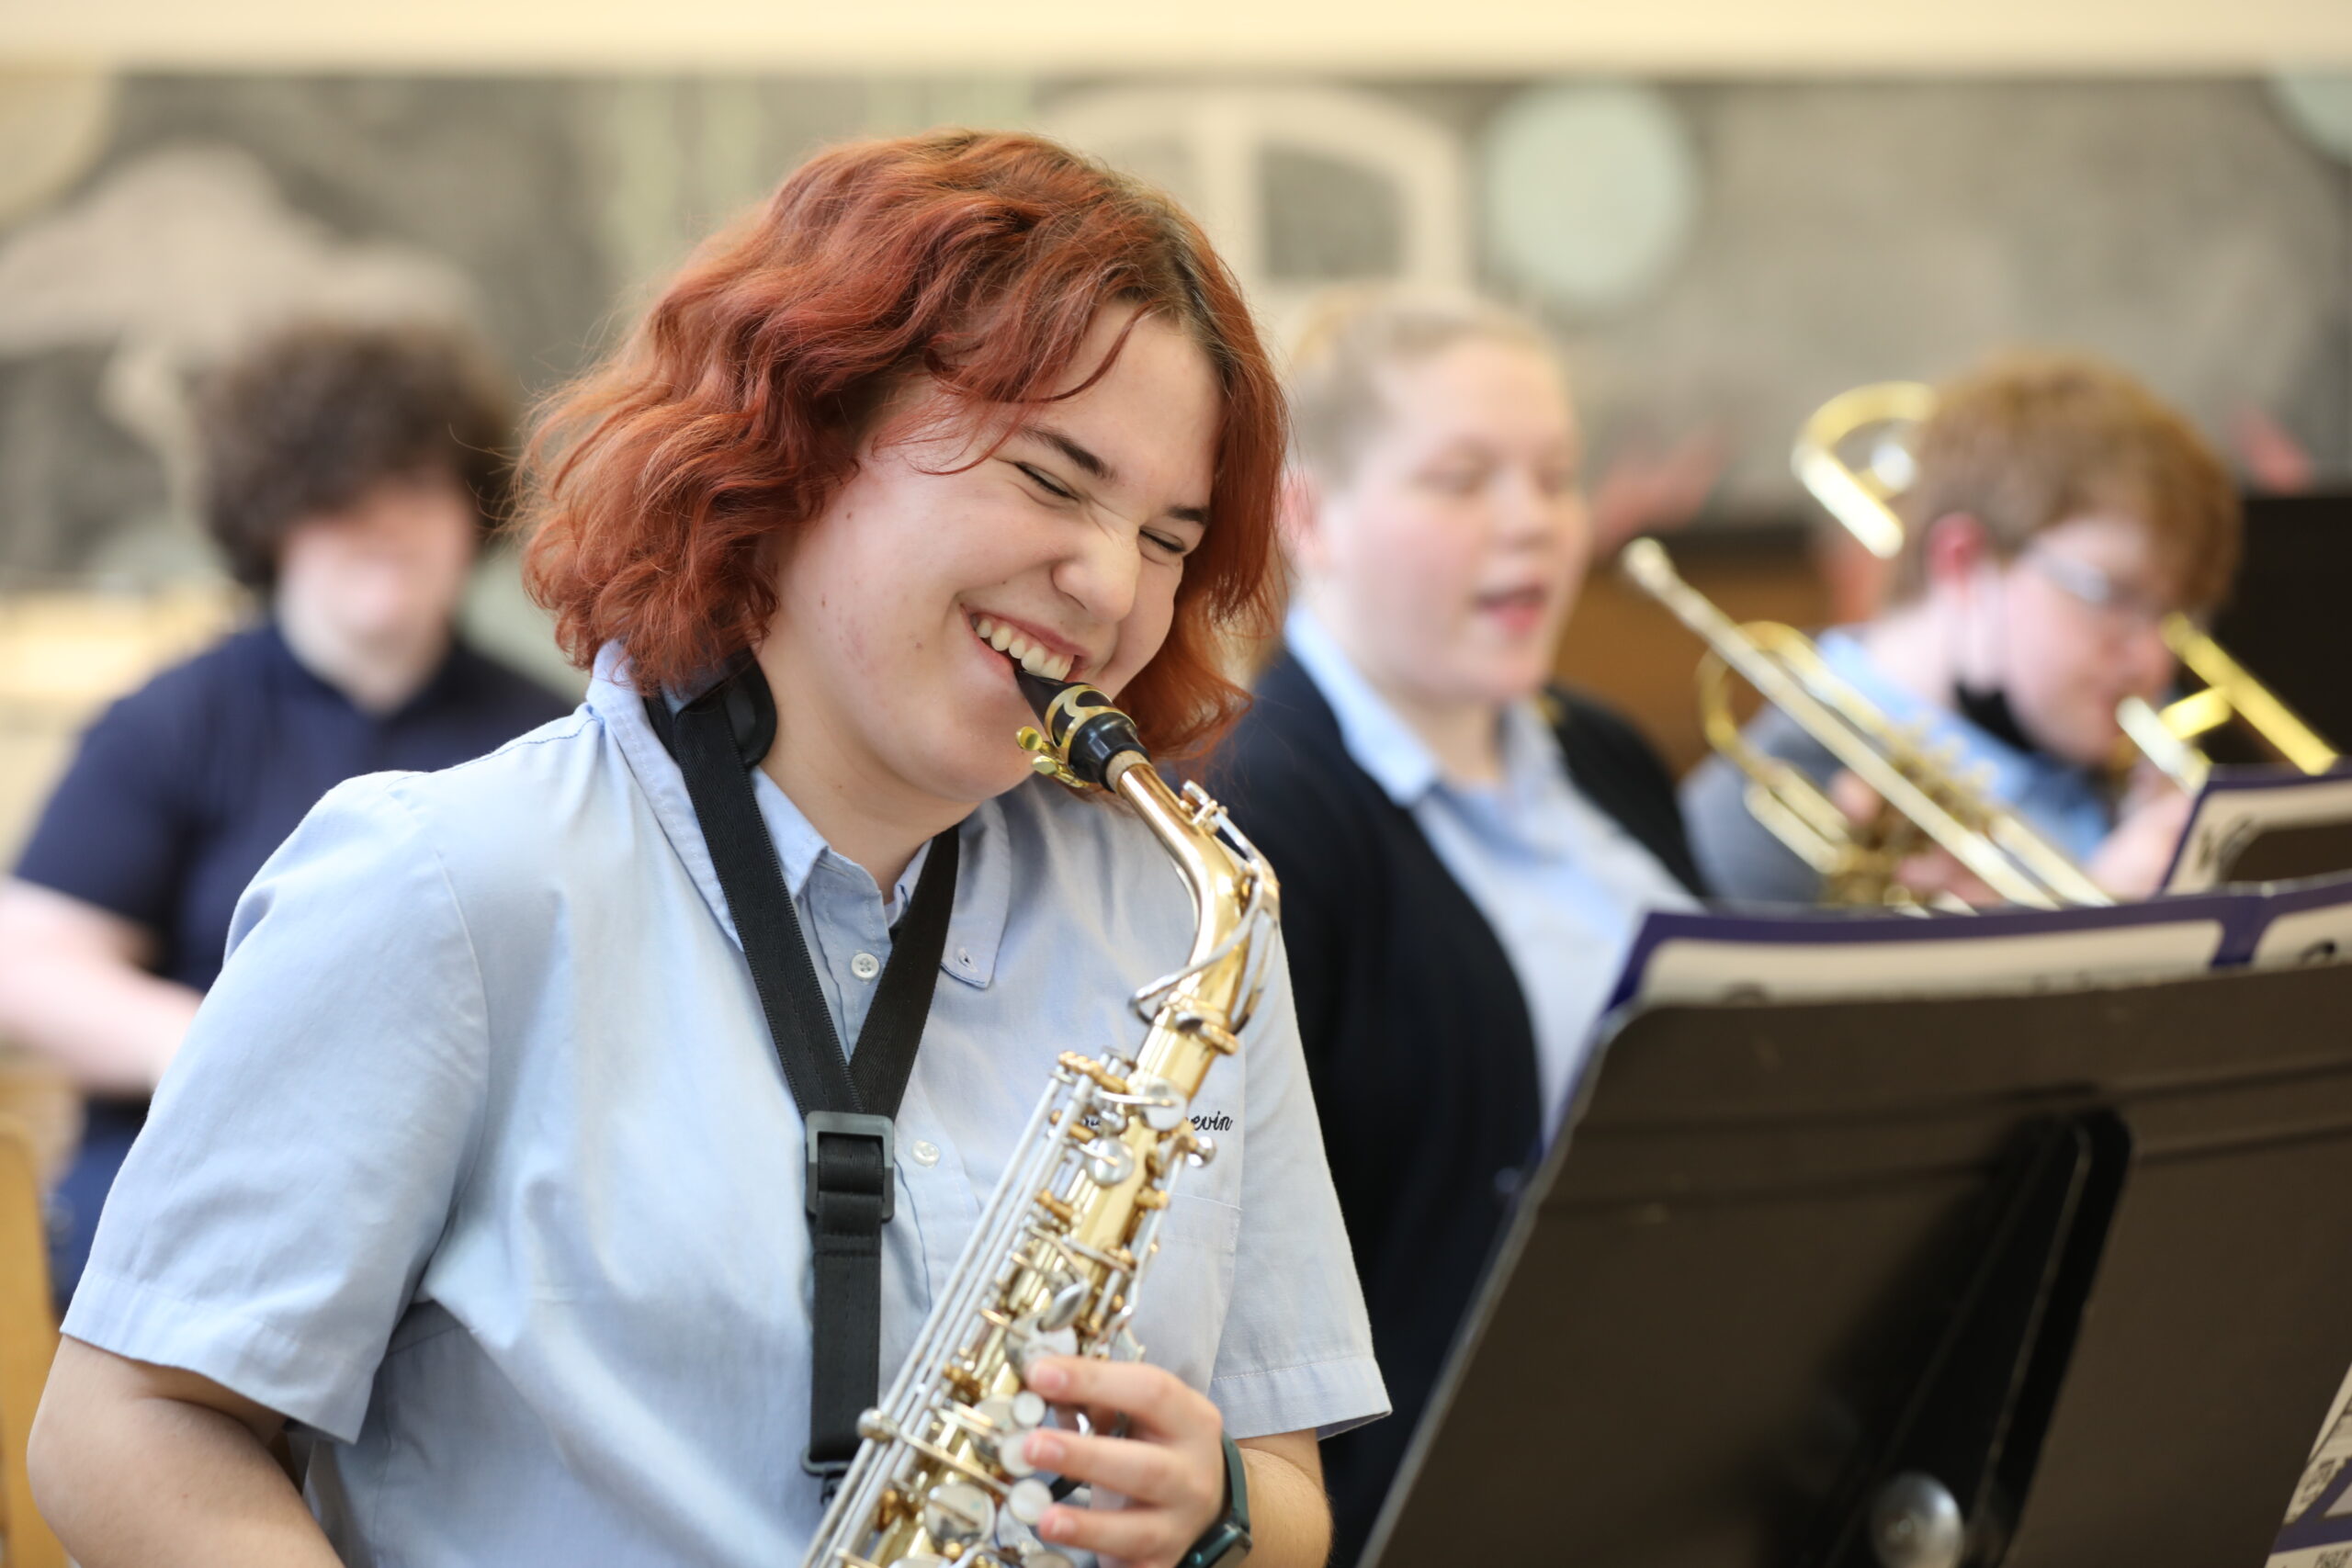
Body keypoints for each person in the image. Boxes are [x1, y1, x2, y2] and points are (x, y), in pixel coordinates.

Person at [28, 130, 1383, 1568]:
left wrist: (1220, 1508)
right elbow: (123, 1426)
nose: (1111, 585)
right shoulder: (442, 881)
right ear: (804, 433)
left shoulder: (1190, 919)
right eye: (1053, 477)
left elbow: (1287, 1489)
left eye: (1169, 538)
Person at [1208, 289, 1708, 1568]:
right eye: (1462, 480)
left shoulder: (1605, 754)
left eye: (1554, 477)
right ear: (1310, 518)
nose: (1532, 521)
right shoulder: (1255, 814)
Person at [0, 322, 571, 1303]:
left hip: (469, 1215)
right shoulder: (173, 719)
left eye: (417, 486)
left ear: (469, 511)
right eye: (341, 494)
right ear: (270, 517)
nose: (384, 525)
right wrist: (233, 1052)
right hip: (193, 1207)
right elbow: (28, 963)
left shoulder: (551, 739)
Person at [1682, 351, 2241, 906]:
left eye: (2173, 614)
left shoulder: (2106, 760)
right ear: (1965, 566)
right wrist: (2105, 921)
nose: (2153, 661)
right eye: (2113, 596)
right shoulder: (1752, 831)